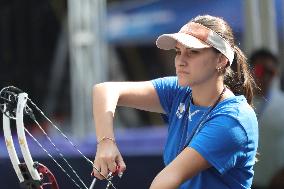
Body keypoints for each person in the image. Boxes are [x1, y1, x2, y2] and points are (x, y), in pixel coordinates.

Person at [91, 15, 259, 189]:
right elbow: (105, 90)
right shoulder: (179, 91)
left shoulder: (234, 119)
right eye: (178, 51)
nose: (181, 61)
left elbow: (167, 180)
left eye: (193, 52)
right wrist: (106, 143)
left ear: (221, 60)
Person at [250, 49, 284, 188]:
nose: (265, 76)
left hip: (276, 182)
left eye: (271, 72)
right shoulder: (238, 103)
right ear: (250, 71)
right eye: (260, 70)